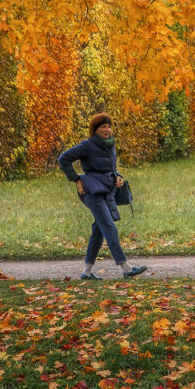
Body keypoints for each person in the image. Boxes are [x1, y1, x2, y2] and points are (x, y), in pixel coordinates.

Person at [58, 113, 148, 280]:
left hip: (107, 189)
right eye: (103, 127)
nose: (107, 130)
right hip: (92, 191)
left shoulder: (110, 144)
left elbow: (109, 168)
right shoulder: (87, 145)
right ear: (95, 129)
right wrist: (76, 179)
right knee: (109, 227)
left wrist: (118, 176)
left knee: (99, 231)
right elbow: (63, 159)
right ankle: (125, 267)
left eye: (108, 126)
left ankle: (86, 272)